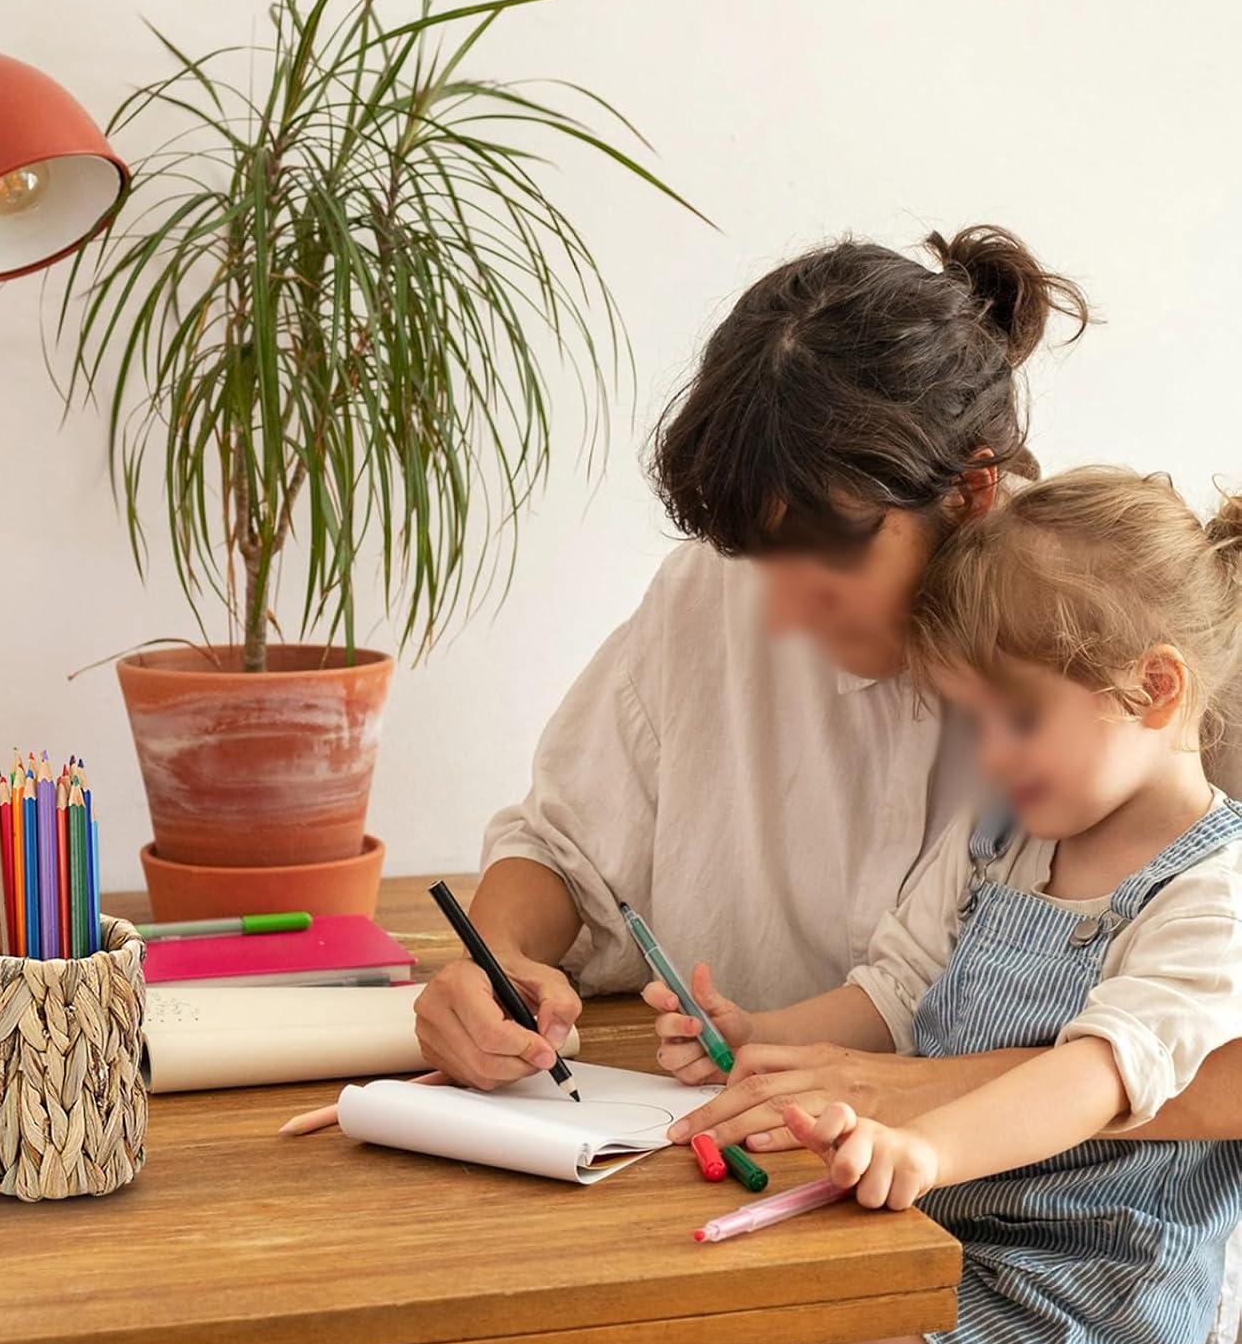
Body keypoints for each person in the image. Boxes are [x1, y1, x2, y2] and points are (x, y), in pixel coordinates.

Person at [413, 224, 1242, 1146]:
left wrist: (908, 1093)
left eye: (828, 556)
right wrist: (496, 964)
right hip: (780, 1145)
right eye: (761, 559)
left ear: (969, 490)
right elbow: (565, 842)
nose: (783, 612)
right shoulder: (714, 590)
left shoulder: (1117, 640)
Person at [649, 468, 1242, 1344]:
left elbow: (1096, 1079)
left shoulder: (1212, 893)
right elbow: (898, 984)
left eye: (1018, 718)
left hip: (1079, 1313)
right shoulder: (1002, 835)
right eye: (974, 722)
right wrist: (761, 1033)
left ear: (1154, 687)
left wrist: (923, 1147)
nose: (992, 754)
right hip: (936, 1261)